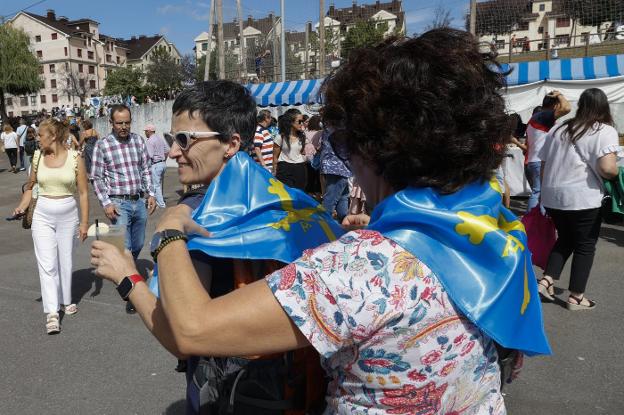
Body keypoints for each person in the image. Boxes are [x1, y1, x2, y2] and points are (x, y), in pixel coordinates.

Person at [91, 29, 551, 413]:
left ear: (376, 149)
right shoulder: (497, 231)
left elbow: (189, 331)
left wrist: (164, 233)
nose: (174, 150)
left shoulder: (356, 268)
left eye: (348, 142)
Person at [91, 80, 343, 414]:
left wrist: (126, 276)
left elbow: (180, 337)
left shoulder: (198, 216)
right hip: (294, 391)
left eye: (185, 139)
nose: (172, 151)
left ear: (230, 143)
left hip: (231, 394)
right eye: (171, 138)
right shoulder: (292, 201)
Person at [537, 88, 621, 310]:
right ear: (604, 106)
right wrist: (615, 174)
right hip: (582, 196)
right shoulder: (604, 130)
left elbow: (543, 164)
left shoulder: (558, 128)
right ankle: (576, 297)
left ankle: (546, 281)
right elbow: (607, 169)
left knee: (565, 238)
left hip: (552, 194)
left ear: (581, 105)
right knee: (585, 245)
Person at [12, 118, 89, 334]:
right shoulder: (37, 157)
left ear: (53, 136)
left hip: (68, 215)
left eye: (40, 135)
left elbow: (83, 193)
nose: (37, 139)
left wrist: (84, 223)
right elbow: (31, 187)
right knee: (47, 264)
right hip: (42, 214)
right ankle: (52, 313)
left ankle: (66, 298)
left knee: (66, 260)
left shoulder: (75, 157)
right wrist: (21, 207)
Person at [91, 104, 156, 313]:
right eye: (119, 123)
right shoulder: (103, 145)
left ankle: (121, 266)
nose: (124, 127)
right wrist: (106, 203)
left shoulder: (138, 140)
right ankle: (133, 294)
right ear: (111, 123)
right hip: (117, 203)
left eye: (127, 122)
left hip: (139, 201)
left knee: (137, 244)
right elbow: (97, 177)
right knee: (125, 247)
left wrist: (151, 193)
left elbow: (146, 168)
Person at [525, 91, 571, 212]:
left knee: (540, 191)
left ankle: (537, 220)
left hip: (534, 160)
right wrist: (560, 95)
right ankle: (533, 222)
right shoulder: (544, 116)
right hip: (539, 161)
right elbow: (567, 108)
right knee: (538, 191)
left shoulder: (538, 117)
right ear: (555, 105)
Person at [319, 123, 353, 223]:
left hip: (333, 166)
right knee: (331, 199)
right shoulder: (340, 128)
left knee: (342, 197)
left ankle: (344, 223)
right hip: (339, 166)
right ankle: (323, 225)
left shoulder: (328, 127)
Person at [272, 108, 307, 190]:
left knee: (299, 194)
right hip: (284, 169)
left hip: (300, 168)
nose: (302, 124)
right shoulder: (280, 137)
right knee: (287, 195)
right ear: (291, 122)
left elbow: (302, 152)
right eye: (299, 121)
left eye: (302, 121)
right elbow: (275, 157)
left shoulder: (302, 137)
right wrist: (274, 171)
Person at [144, 124, 170, 208]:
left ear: (149, 131)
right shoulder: (160, 138)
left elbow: (150, 155)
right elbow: (167, 151)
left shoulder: (150, 141)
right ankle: (158, 201)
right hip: (162, 164)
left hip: (155, 165)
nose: (145, 133)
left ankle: (161, 204)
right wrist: (163, 161)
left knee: (156, 185)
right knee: (159, 184)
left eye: (146, 131)